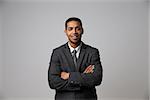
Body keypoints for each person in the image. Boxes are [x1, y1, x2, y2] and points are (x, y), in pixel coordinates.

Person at [48, 17, 103, 100]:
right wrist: (83, 78)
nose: (74, 32)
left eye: (77, 29)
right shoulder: (57, 53)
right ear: (65, 32)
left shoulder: (92, 52)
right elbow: (53, 82)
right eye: (70, 29)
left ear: (82, 30)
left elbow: (97, 79)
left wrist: (69, 75)